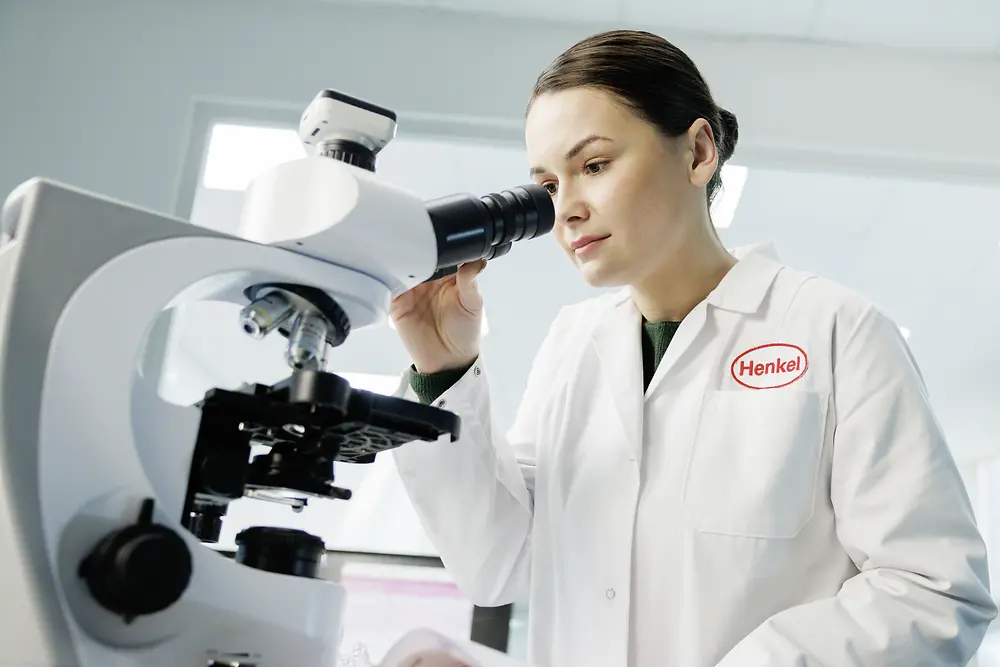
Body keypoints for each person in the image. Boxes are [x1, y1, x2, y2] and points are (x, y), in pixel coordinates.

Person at [388, 29, 997, 667]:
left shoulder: (834, 329)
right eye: (547, 184)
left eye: (594, 165)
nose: (566, 208)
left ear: (699, 151)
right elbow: (500, 564)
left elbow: (933, 592)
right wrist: (443, 367)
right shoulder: (572, 345)